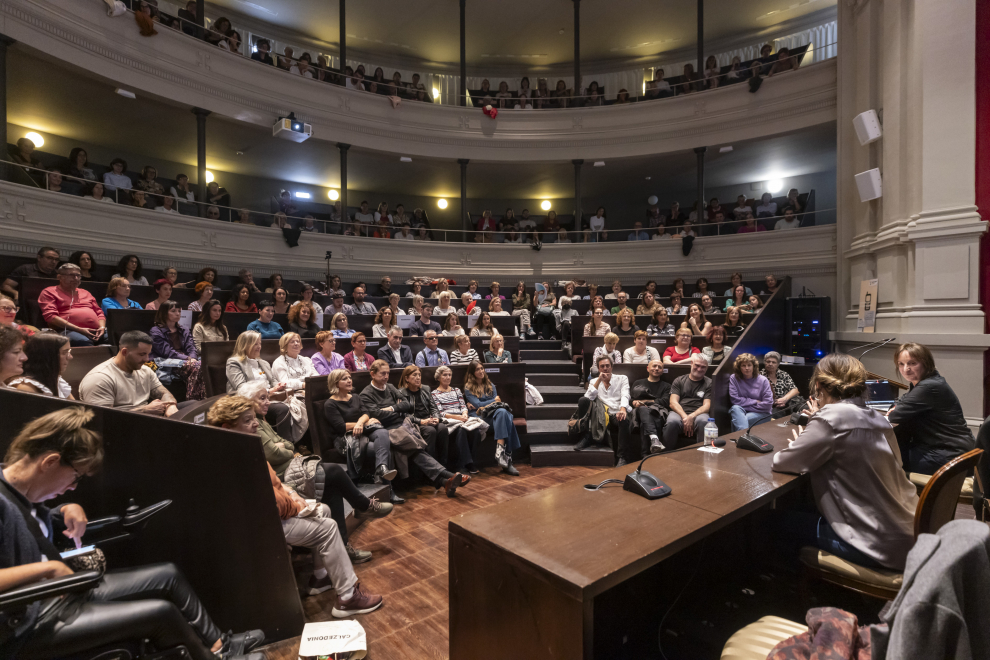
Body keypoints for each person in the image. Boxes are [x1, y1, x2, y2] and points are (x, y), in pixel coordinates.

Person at [0, 407, 266, 660]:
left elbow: (31, 525)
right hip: (26, 621)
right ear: (50, 462)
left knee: (167, 575)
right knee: (159, 613)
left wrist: (66, 508)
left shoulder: (22, 493)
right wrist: (48, 571)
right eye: (76, 476)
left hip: (61, 593)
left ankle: (219, 646)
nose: (72, 486)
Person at [772, 353, 919, 571]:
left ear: (819, 384)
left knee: (773, 521)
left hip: (875, 545)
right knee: (805, 508)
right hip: (908, 535)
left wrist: (808, 433)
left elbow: (782, 462)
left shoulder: (829, 419)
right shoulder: (877, 418)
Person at [361, 360, 470, 493]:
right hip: (387, 429)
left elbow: (406, 404)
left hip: (402, 425)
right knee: (416, 448)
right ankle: (448, 476)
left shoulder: (390, 387)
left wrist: (389, 409)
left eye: (388, 373)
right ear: (372, 374)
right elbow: (377, 414)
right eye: (383, 373)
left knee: (417, 449)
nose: (386, 376)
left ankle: (444, 481)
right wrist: (396, 411)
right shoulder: (366, 394)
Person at [887, 343, 976, 474]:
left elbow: (895, 416)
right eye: (901, 364)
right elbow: (902, 400)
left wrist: (897, 409)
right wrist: (899, 407)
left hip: (949, 455)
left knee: (886, 459)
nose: (906, 369)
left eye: (912, 363)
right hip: (949, 449)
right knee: (894, 449)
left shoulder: (929, 386)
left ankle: (905, 494)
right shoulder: (927, 381)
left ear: (926, 363)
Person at [79, 331, 181, 416]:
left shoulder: (145, 370)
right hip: (123, 429)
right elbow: (102, 419)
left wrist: (170, 406)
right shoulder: (100, 378)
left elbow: (163, 392)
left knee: (193, 406)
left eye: (148, 354)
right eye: (142, 354)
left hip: (146, 419)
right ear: (124, 352)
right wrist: (143, 410)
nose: (146, 359)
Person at [224, 330, 298, 439]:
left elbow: (272, 381)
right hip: (250, 401)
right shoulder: (234, 362)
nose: (259, 346)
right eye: (255, 344)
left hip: (270, 397)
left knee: (299, 403)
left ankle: (300, 442)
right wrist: (269, 391)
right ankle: (288, 444)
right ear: (245, 345)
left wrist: (279, 385)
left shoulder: (263, 363)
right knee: (282, 409)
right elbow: (241, 388)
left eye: (259, 343)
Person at [573, 355, 635, 464]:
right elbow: (588, 399)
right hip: (601, 414)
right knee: (583, 400)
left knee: (624, 419)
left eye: (607, 366)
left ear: (611, 367)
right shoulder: (593, 381)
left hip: (617, 412)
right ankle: (586, 436)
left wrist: (623, 409)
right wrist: (599, 381)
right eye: (602, 366)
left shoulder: (622, 378)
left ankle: (622, 457)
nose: (605, 368)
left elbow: (625, 395)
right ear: (598, 368)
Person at [464, 361, 520, 475]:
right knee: (507, 418)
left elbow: (494, 405)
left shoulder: (490, 385)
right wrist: (492, 401)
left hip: (493, 414)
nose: (481, 371)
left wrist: (488, 403)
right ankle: (507, 460)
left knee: (502, 412)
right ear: (472, 373)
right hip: (479, 416)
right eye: (477, 369)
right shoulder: (468, 388)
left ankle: (501, 452)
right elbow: (479, 405)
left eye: (482, 368)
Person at [37, 264, 108, 347]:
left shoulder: (85, 292)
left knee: (118, 338)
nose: (76, 278)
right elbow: (51, 317)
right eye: (71, 275)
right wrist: (79, 329)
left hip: (96, 330)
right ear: (59, 277)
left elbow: (99, 312)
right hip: (67, 330)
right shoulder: (49, 292)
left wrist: (102, 327)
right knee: (83, 341)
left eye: (78, 275)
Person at [398, 365, 451, 467]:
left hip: (429, 420)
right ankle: (431, 467)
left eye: (419, 375)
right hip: (414, 423)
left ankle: (443, 465)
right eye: (414, 375)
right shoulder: (401, 393)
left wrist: (436, 418)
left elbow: (434, 407)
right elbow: (403, 414)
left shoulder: (426, 389)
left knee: (442, 428)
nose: (418, 377)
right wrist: (421, 421)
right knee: (430, 431)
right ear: (406, 378)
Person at [664, 353, 712, 447]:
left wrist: (692, 416)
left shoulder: (709, 383)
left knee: (704, 422)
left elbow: (707, 405)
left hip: (699, 413)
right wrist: (686, 417)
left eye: (703, 367)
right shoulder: (679, 380)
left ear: (706, 368)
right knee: (672, 422)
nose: (699, 369)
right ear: (691, 363)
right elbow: (673, 403)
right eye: (697, 365)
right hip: (679, 412)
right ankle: (666, 454)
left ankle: (703, 455)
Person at [7, 333, 73, 398]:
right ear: (46, 357)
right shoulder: (25, 387)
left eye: (69, 352)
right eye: (64, 353)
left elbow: (76, 407)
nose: (70, 357)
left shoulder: (57, 380)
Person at [630, 359, 671, 456]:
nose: (657, 369)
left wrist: (644, 402)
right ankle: (654, 440)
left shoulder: (667, 386)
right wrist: (635, 403)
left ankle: (645, 454)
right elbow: (630, 400)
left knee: (645, 418)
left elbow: (664, 401)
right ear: (648, 368)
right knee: (643, 410)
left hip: (658, 412)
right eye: (654, 366)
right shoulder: (638, 383)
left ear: (662, 370)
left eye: (660, 367)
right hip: (638, 414)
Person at [727, 353, 773, 432]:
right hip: (742, 411)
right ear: (739, 367)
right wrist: (754, 401)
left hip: (762, 413)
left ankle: (741, 438)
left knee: (741, 420)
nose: (747, 368)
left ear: (754, 366)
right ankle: (744, 438)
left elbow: (768, 404)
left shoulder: (763, 380)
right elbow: (734, 400)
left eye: (749, 365)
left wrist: (745, 405)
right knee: (735, 408)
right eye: (743, 366)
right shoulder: (734, 378)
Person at [271, 333, 318, 400]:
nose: (296, 344)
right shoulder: (279, 362)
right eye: (292, 342)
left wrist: (313, 384)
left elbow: (315, 375)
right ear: (285, 345)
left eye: (298, 341)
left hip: (311, 390)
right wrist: (302, 385)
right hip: (291, 394)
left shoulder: (306, 360)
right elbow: (284, 382)